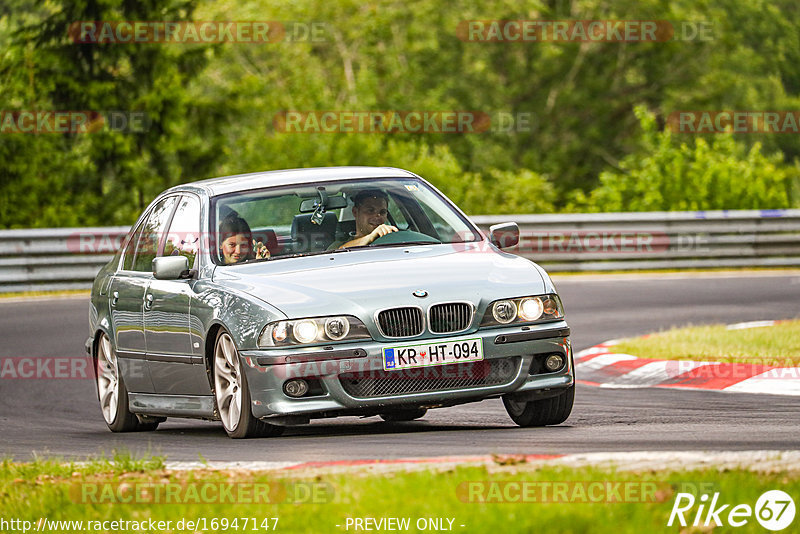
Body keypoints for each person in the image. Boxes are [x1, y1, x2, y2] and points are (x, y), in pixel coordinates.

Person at [332, 189, 398, 249]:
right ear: (355, 212)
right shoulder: (338, 244)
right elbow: (339, 251)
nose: (377, 216)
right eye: (370, 210)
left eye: (382, 212)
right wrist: (370, 237)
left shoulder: (394, 239)